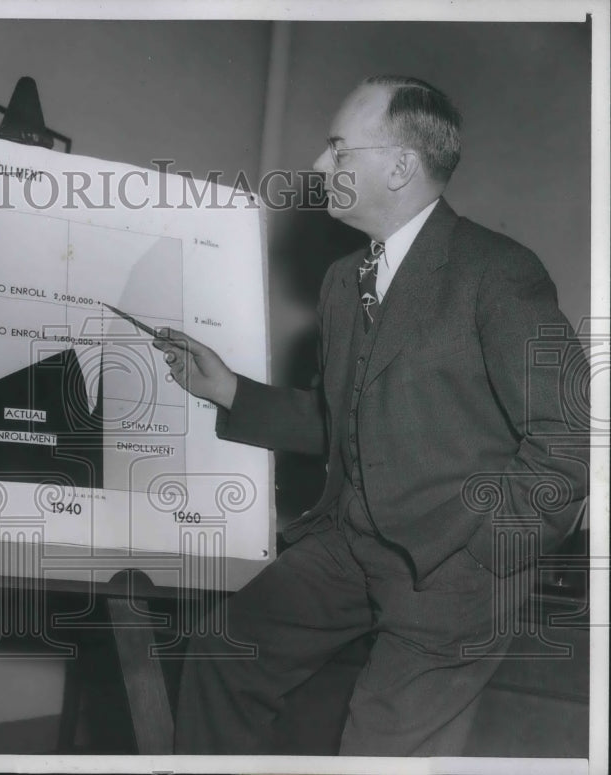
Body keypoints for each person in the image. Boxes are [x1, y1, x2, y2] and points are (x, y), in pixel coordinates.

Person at [155, 75, 588, 756]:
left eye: (338, 150)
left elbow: (570, 442)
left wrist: (479, 558)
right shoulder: (342, 281)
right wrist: (231, 390)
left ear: (400, 165)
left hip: (458, 570)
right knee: (224, 650)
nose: (321, 166)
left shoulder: (496, 272)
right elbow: (353, 423)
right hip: (350, 544)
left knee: (377, 753)